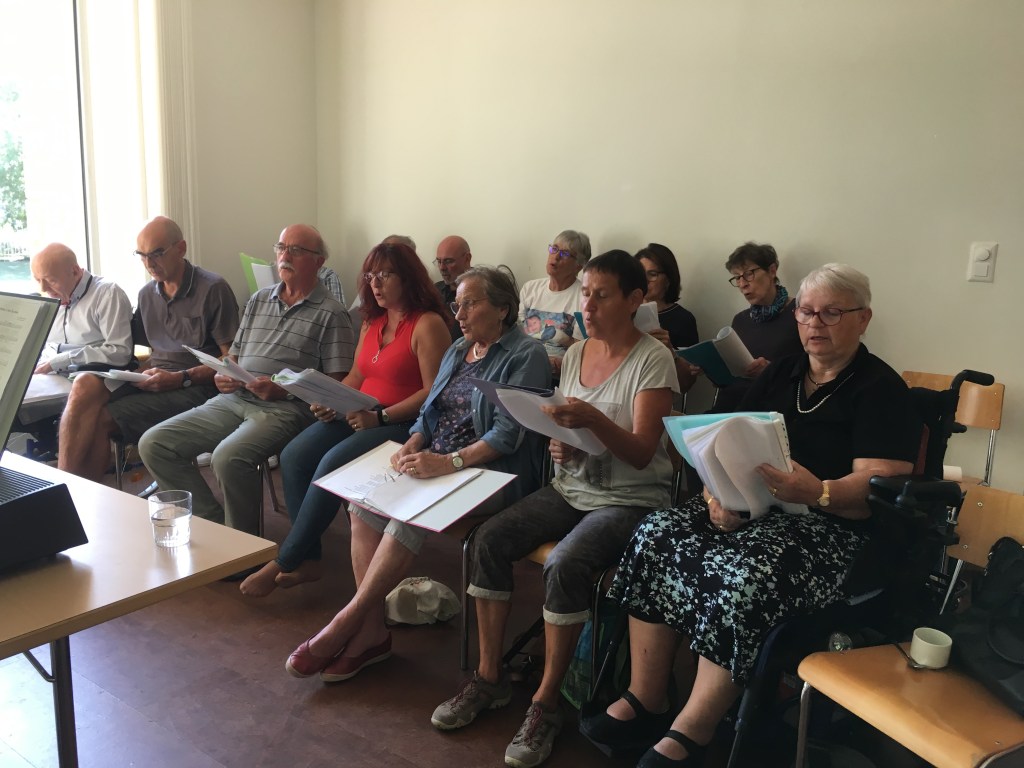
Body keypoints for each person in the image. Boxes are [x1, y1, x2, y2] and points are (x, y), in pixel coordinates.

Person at [581, 264, 921, 767]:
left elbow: (877, 486)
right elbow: (723, 441)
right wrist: (716, 498)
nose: (815, 323)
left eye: (832, 312)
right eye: (806, 312)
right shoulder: (782, 372)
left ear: (863, 318)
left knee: (742, 574)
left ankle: (693, 729)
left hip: (833, 530)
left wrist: (819, 492)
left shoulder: (880, 388)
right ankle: (647, 696)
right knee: (655, 533)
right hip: (759, 510)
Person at [432, 251, 679, 768]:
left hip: (630, 499)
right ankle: (489, 677)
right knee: (490, 539)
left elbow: (641, 453)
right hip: (572, 487)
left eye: (601, 295)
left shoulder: (653, 359)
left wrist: (591, 419)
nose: (587, 305)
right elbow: (565, 429)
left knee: (566, 563)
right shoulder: (579, 350)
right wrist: (560, 442)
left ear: (634, 300)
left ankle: (546, 703)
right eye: (585, 293)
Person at [284, 265, 551, 684]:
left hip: (494, 471)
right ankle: (372, 632)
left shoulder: (525, 355)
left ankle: (347, 620)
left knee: (406, 517)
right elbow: (429, 411)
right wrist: (413, 440)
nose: (459, 315)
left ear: (503, 308)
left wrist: (449, 462)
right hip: (438, 462)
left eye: (470, 304)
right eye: (456, 305)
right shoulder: (458, 349)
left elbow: (508, 435)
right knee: (362, 506)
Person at [240, 242, 451, 596]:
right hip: (360, 413)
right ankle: (310, 558)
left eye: (385, 275)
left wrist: (380, 417)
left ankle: (286, 558)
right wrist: (329, 400)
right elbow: (355, 375)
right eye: (370, 276)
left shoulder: (428, 324)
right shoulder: (372, 322)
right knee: (294, 456)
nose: (375, 284)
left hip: (403, 425)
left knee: (332, 464)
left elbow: (433, 393)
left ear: (408, 277)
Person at [138, 224, 354, 535]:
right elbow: (234, 358)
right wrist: (224, 375)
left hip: (286, 409)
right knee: (154, 443)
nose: (285, 256)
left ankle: (245, 546)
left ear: (319, 261)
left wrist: (283, 390)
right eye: (281, 248)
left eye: (296, 250)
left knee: (228, 457)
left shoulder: (332, 313)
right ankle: (217, 529)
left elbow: (336, 386)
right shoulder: (258, 300)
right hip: (234, 398)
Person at [56, 216, 239, 482]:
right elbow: (135, 349)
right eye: (141, 255)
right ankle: (65, 489)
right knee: (84, 383)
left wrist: (181, 378)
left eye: (156, 253)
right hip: (156, 379)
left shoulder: (212, 288)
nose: (149, 263)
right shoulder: (146, 294)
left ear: (181, 248)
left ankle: (71, 493)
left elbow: (231, 359)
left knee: (100, 418)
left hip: (199, 387)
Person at [707, 242, 802, 412]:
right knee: (676, 424)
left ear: (772, 271)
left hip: (770, 407)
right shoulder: (740, 320)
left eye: (748, 274)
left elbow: (813, 368)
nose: (742, 284)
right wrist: (711, 369)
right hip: (731, 405)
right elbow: (729, 378)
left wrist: (771, 371)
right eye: (737, 277)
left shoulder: (801, 313)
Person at [30, 243, 133, 374]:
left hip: (92, 374)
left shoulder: (107, 294)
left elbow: (120, 352)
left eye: (51, 281)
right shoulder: (50, 298)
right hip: (48, 374)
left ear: (75, 271)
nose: (43, 289)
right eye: (38, 280)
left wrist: (64, 360)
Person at [518, 230, 590, 377]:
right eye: (554, 249)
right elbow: (517, 333)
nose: (556, 256)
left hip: (557, 374)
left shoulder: (584, 298)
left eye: (565, 254)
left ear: (578, 266)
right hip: (521, 363)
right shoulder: (530, 288)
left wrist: (555, 362)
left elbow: (581, 350)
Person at [635, 243, 699, 399]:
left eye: (652, 274)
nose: (645, 280)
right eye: (640, 274)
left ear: (668, 279)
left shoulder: (683, 319)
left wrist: (670, 353)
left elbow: (686, 385)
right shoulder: (624, 312)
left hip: (658, 396)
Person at [434, 235, 472, 339]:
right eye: (439, 261)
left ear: (467, 259)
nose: (442, 267)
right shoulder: (435, 291)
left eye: (448, 261)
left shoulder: (483, 290)